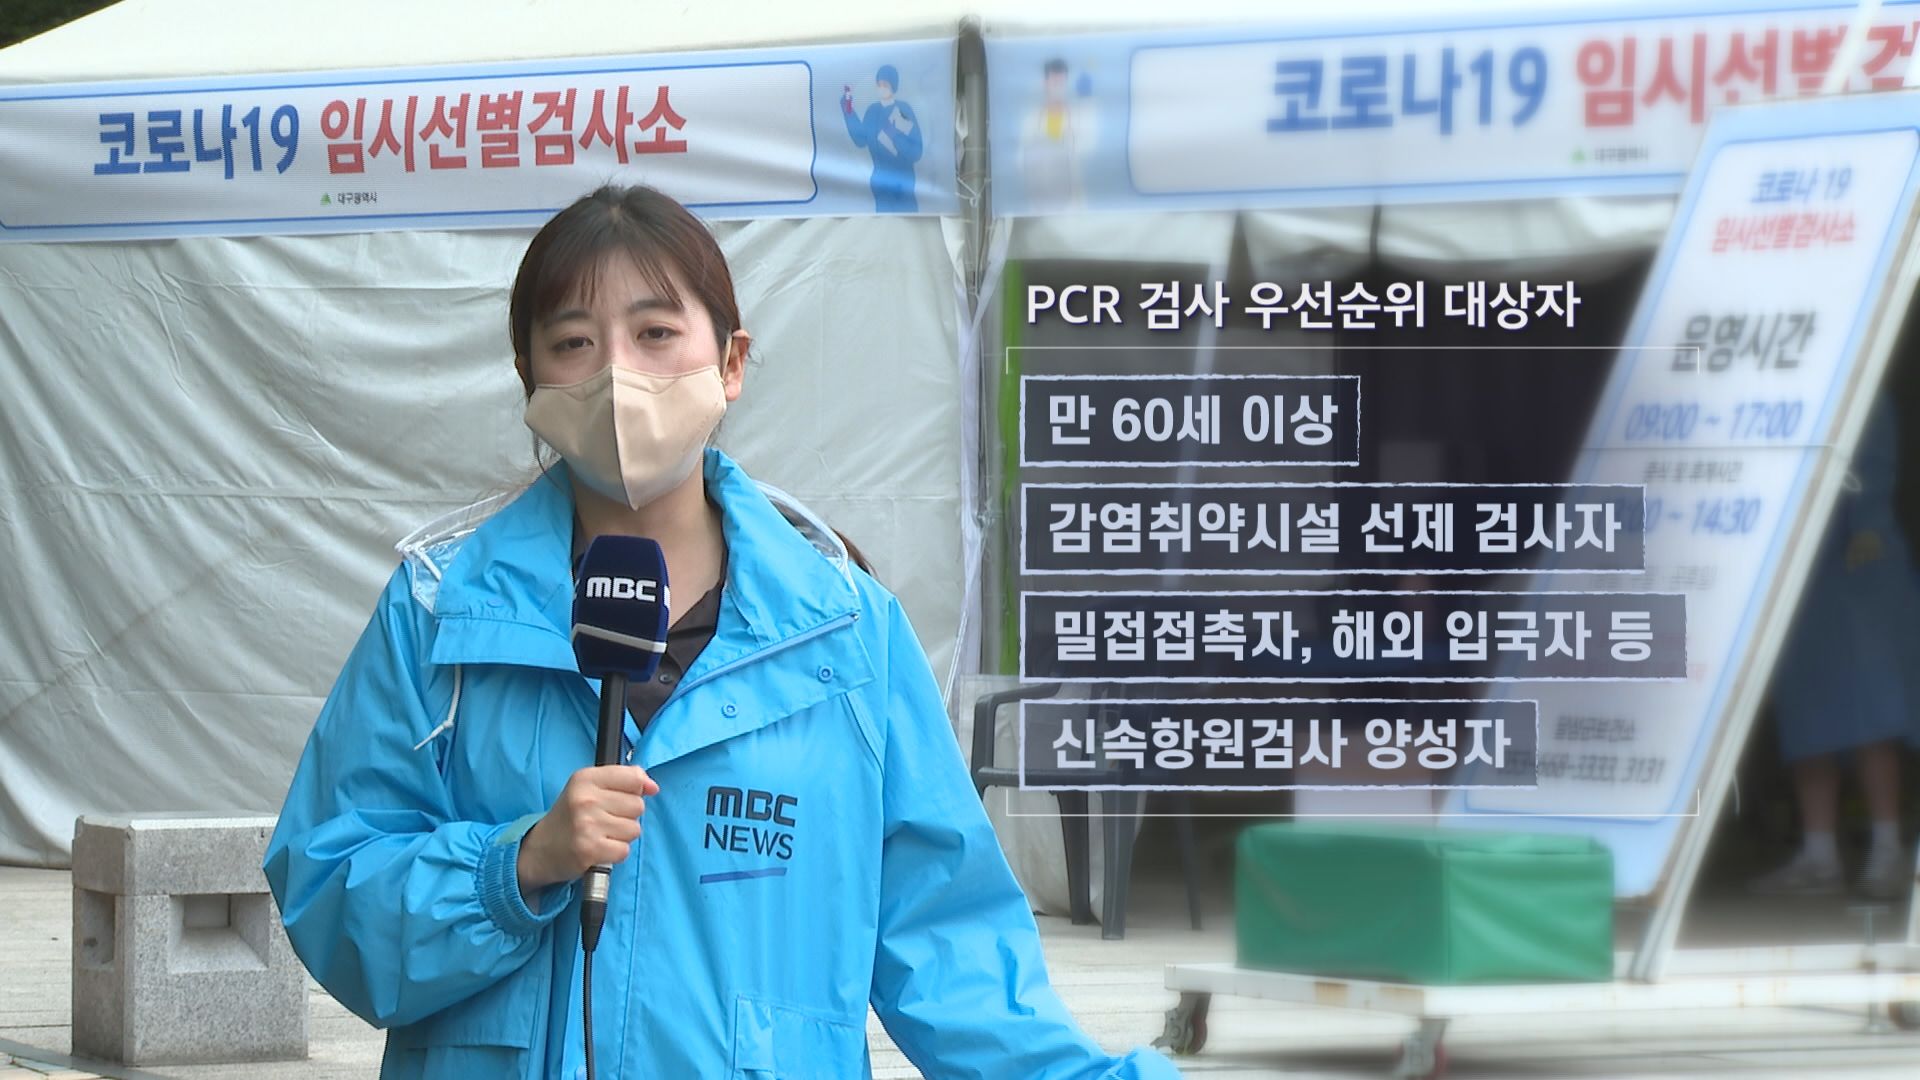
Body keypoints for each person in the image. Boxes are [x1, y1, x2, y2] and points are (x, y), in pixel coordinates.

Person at [262, 184, 1181, 1079]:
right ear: (529, 379)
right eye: (574, 342)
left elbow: (951, 947)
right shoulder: (438, 615)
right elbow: (329, 886)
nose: (618, 374)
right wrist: (520, 863)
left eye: (656, 334)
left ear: (731, 363)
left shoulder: (845, 634)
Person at [1751, 397, 1920, 901]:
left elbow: (1873, 451)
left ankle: (1887, 847)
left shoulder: (1850, 383)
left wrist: (1869, 522)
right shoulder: (1774, 391)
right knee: (1807, 711)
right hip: (1792, 558)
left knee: (1870, 709)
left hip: (1857, 560)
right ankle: (1818, 854)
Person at [842, 63, 922, 212]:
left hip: (903, 183)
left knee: (907, 221)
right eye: (879, 84)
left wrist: (895, 137)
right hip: (880, 183)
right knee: (883, 223)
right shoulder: (872, 111)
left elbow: (916, 152)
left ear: (893, 86)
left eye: (885, 84)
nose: (881, 88)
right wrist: (848, 110)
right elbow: (860, 140)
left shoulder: (903, 109)